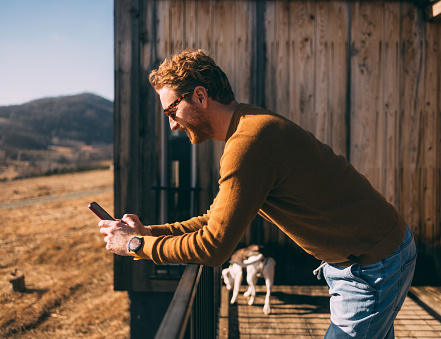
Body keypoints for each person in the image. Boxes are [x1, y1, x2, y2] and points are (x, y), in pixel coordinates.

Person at [98, 48, 417, 338]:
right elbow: (214, 219)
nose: (172, 126)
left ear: (199, 96)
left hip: (373, 264)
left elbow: (213, 247)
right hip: (363, 258)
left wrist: (136, 244)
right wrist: (150, 232)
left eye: (171, 111)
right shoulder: (248, 127)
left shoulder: (248, 144)